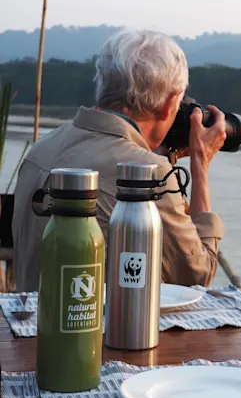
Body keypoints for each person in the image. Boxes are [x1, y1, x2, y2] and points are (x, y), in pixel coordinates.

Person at [11, 28, 227, 292]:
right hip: (101, 331)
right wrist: (200, 164)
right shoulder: (149, 174)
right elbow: (196, 276)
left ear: (103, 85)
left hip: (28, 325)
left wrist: (160, 157)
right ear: (170, 103)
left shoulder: (41, 149)